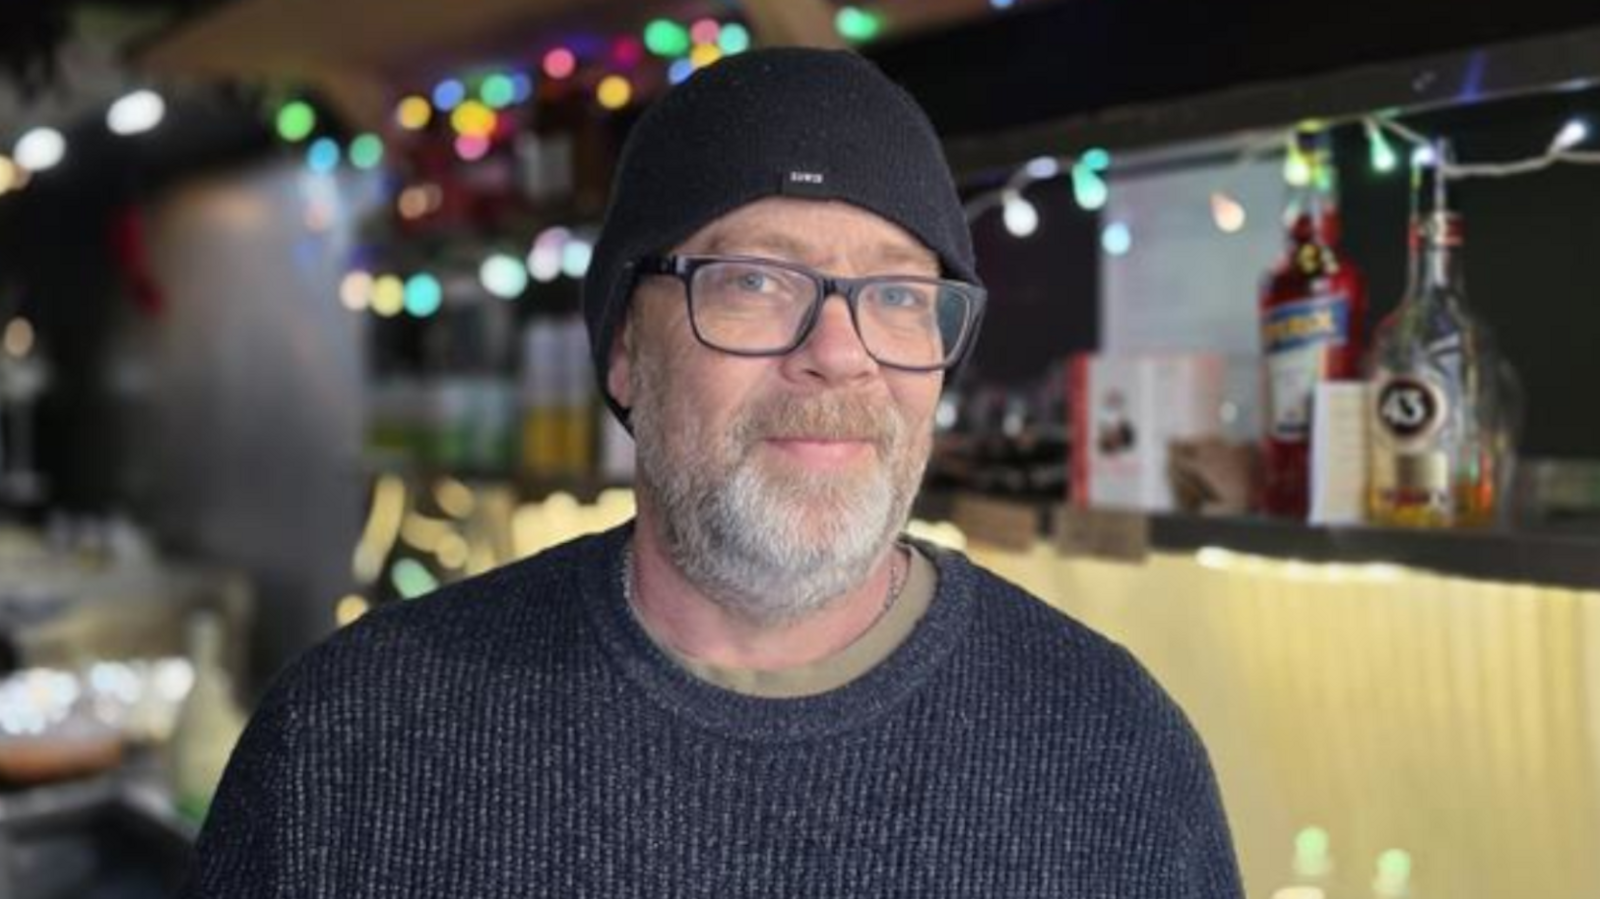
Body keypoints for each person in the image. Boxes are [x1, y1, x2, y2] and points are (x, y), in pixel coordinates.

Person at [182, 47, 1243, 898]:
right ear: (625, 353)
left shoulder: (1114, 754)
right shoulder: (349, 746)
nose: (837, 350)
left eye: (898, 295)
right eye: (751, 281)